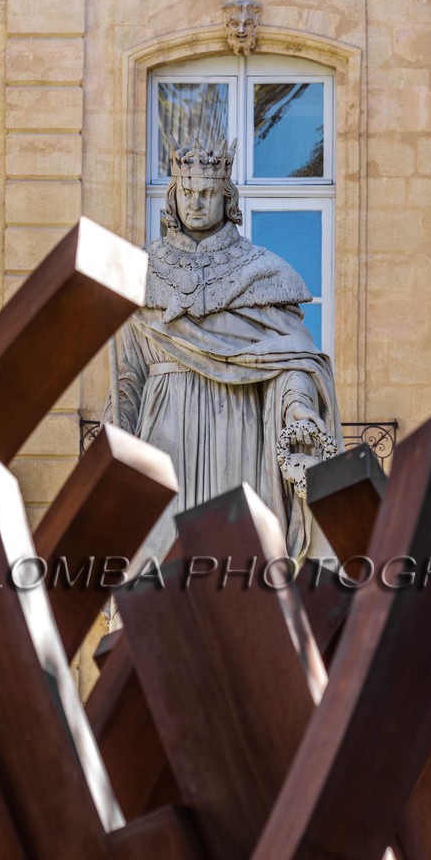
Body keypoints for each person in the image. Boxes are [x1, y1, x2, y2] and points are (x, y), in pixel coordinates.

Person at [113, 128, 339, 560]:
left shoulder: (263, 272)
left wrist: (298, 409)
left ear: (228, 197)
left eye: (208, 192)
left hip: (237, 425)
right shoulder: (142, 273)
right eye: (188, 191)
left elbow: (292, 360)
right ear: (174, 197)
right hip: (163, 429)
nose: (196, 203)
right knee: (158, 566)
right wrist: (116, 437)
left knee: (236, 565)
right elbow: (129, 374)